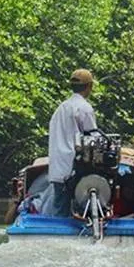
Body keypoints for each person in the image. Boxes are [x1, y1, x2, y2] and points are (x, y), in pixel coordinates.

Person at [41, 68, 98, 217]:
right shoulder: (84, 108)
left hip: (58, 168)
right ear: (89, 86)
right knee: (82, 204)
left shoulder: (61, 109)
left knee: (60, 209)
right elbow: (92, 138)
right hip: (74, 168)